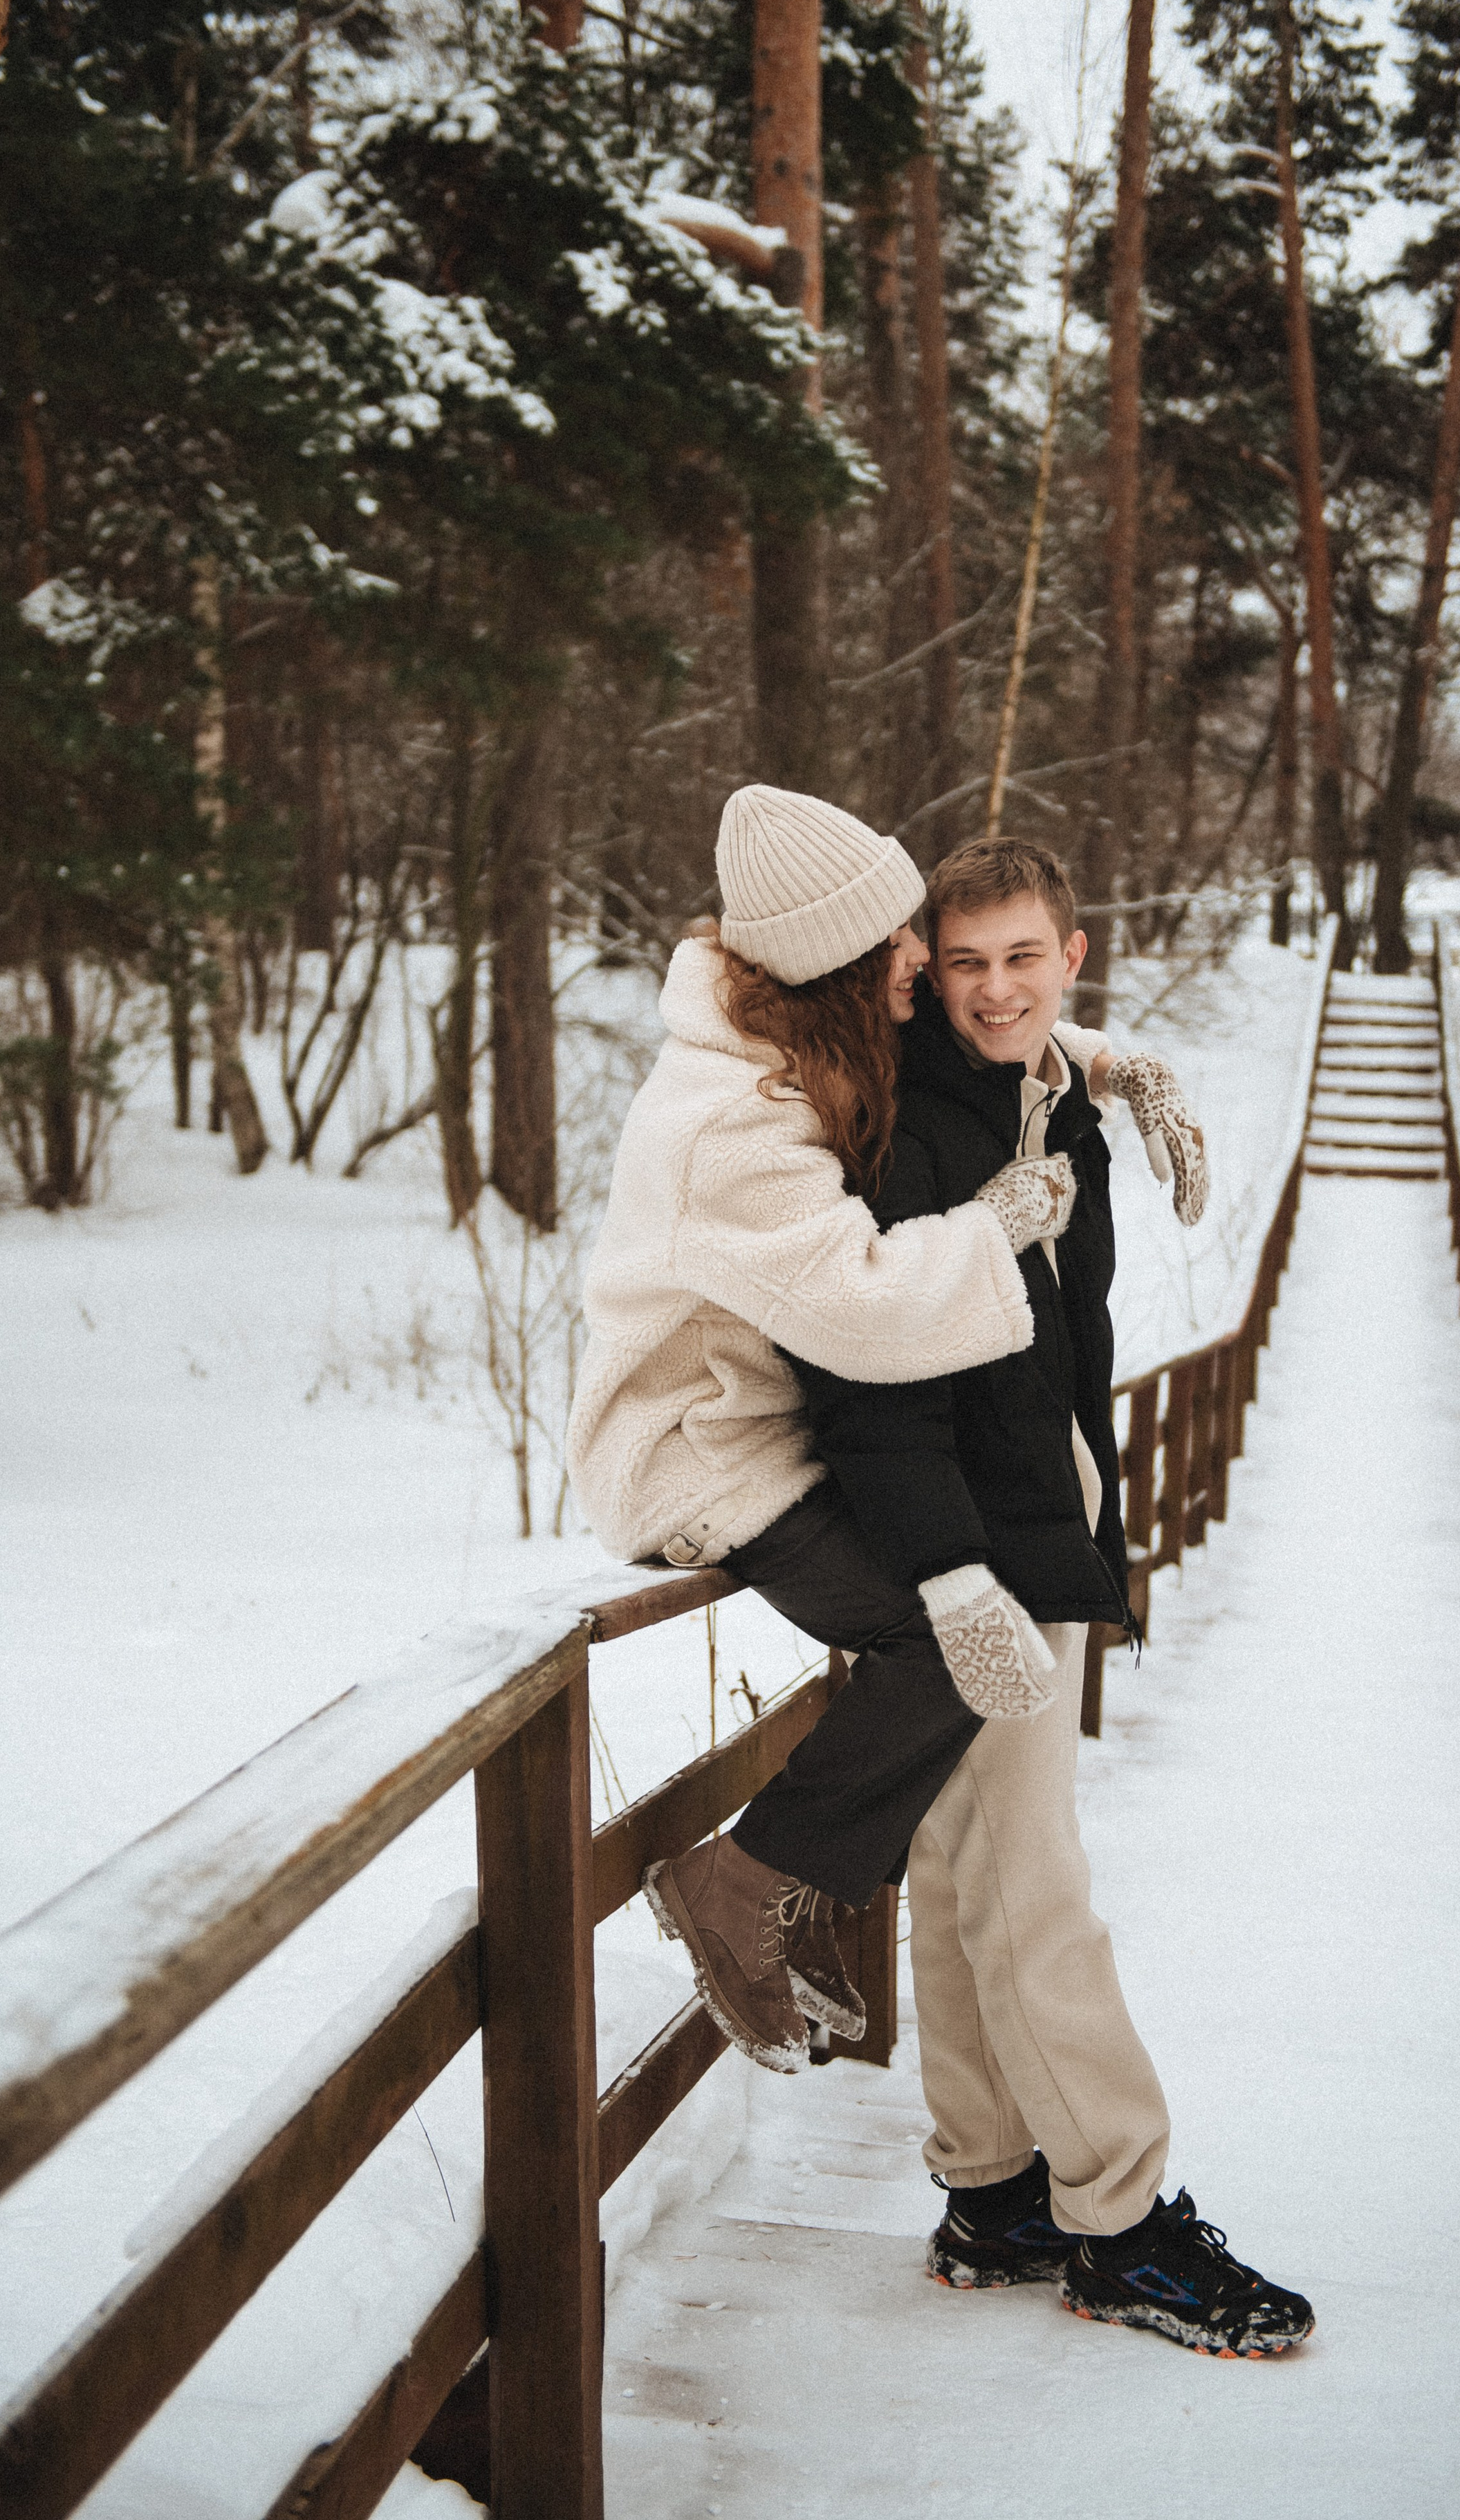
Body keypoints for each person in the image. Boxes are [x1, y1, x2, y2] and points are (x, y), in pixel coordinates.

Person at [786, 834, 1313, 2360]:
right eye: (963, 963)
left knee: (962, 1878)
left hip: (1027, 1503)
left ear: (1071, 954)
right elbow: (869, 1377)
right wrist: (955, 1574)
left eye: (1024, 956)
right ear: (920, 975)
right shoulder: (908, 1127)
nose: (995, 985)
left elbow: (1050, 1325)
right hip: (967, 1544)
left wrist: (1120, 1078)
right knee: (1034, 1890)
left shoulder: (1051, 1095)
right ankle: (1120, 2221)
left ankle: (994, 2190)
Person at [568, 785, 1082, 2077]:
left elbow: (979, 1040)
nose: (926, 957)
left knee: (971, 1626)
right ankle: (739, 1881)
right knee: (942, 1643)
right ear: (844, 966)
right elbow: (860, 1310)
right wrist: (997, 1230)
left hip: (763, 1430)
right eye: (905, 941)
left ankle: (796, 1881)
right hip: (700, 1454)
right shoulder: (730, 1128)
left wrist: (1111, 1066)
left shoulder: (783, 1042)